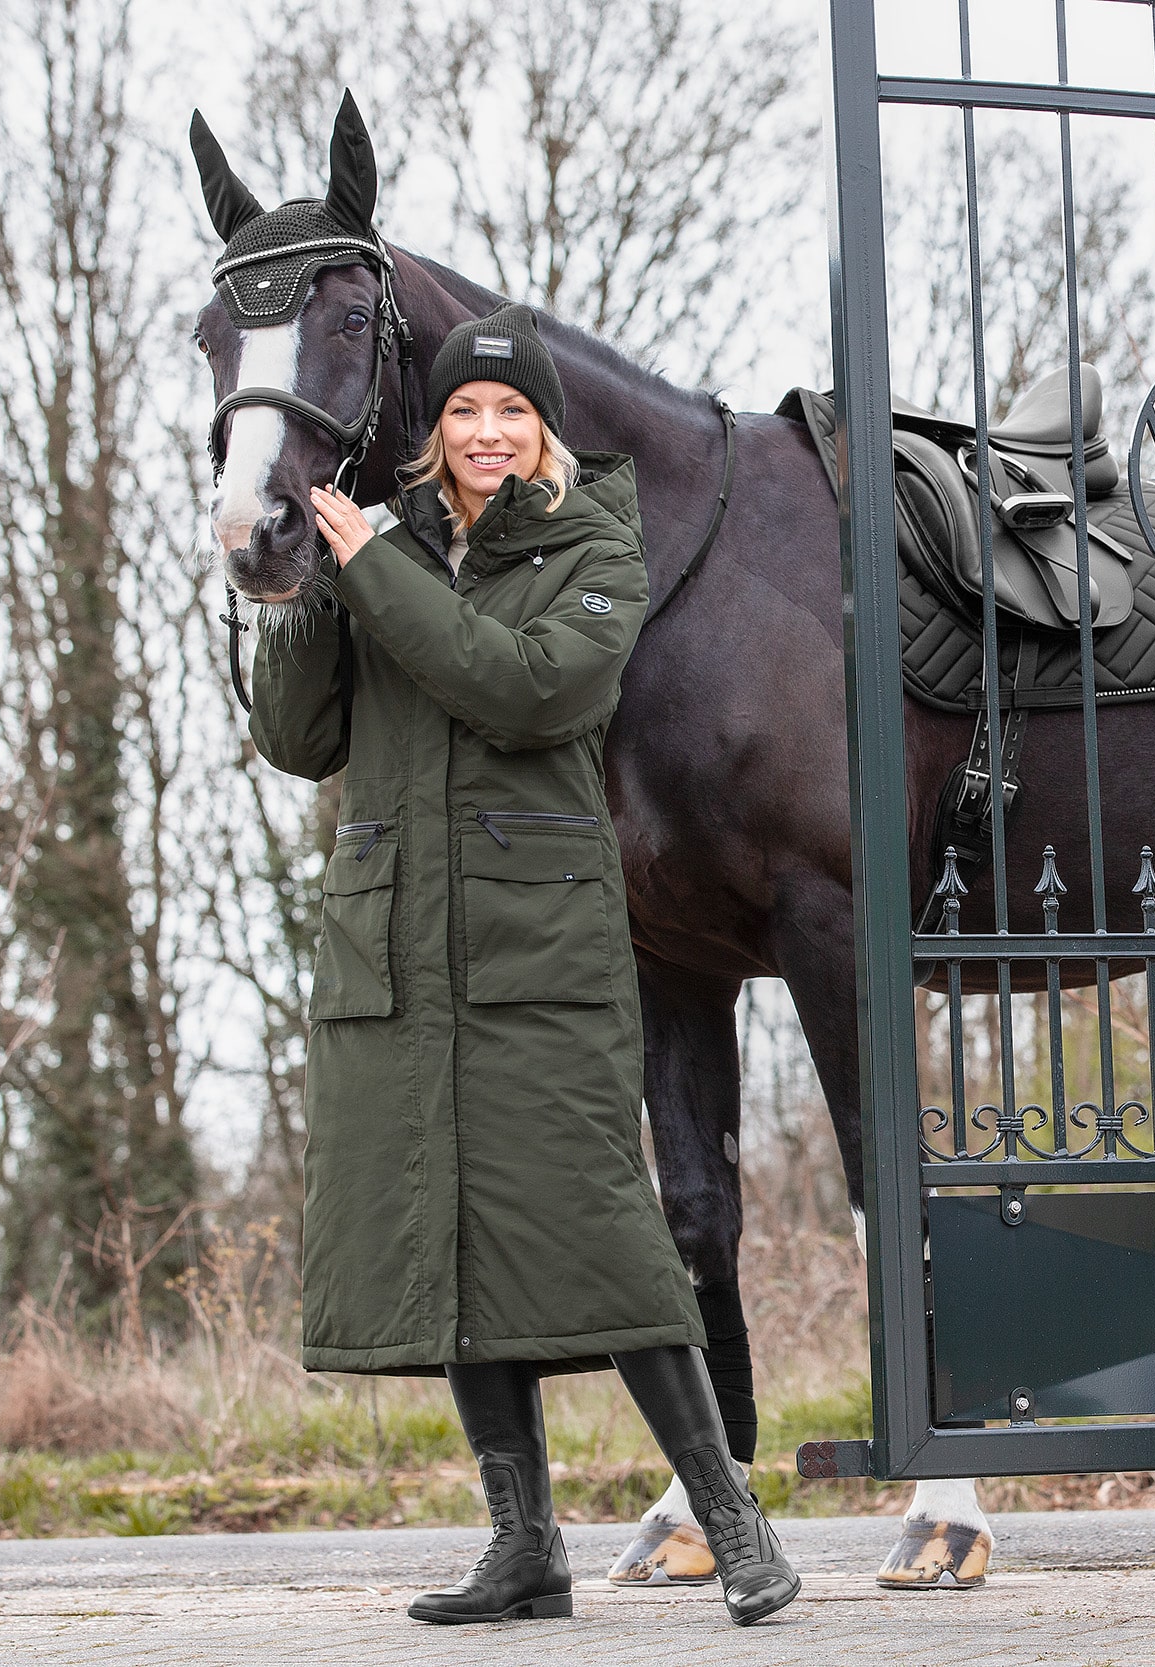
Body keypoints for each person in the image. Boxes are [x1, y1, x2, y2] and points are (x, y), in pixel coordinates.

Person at [251, 302, 797, 1628]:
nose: (487, 432)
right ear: (432, 432)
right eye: (463, 413)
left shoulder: (594, 541)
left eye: (512, 411)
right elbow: (297, 738)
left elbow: (522, 687)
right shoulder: (382, 542)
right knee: (445, 1247)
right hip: (397, 945)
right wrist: (297, 594)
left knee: (604, 1236)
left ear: (543, 428)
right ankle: (522, 1544)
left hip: (536, 953)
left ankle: (735, 1524)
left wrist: (372, 568)